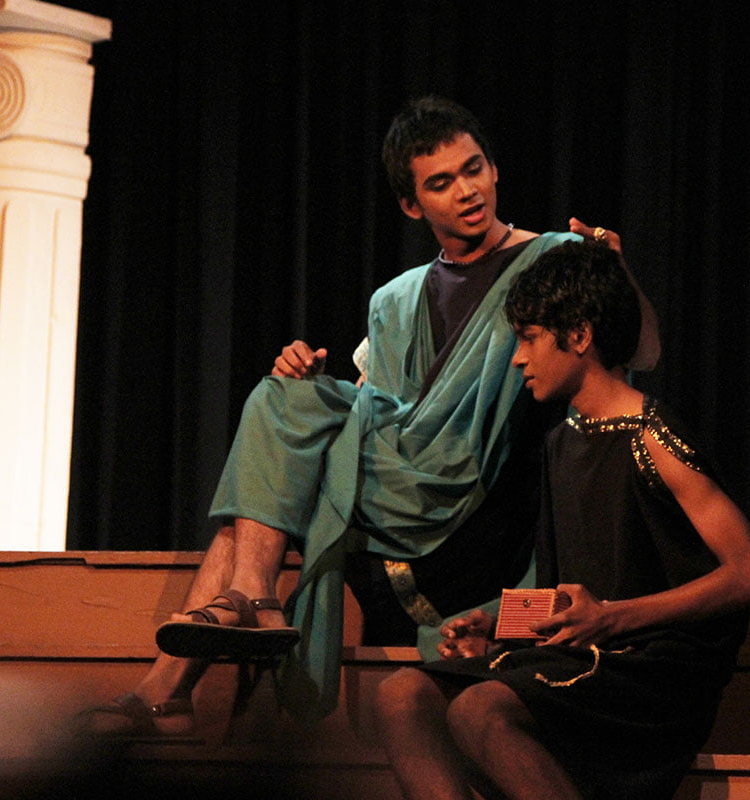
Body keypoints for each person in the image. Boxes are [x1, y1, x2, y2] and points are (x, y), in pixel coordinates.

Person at [80, 96, 659, 737]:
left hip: (472, 498)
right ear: (412, 205)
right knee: (282, 399)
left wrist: (617, 273)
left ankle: (209, 643)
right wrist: (310, 391)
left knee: (279, 425)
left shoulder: (551, 257)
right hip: (396, 490)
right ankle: (204, 649)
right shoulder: (396, 300)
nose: (466, 191)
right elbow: (380, 405)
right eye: (441, 182)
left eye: (473, 169)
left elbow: (642, 352)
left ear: (494, 169)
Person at [371, 240, 750, 800]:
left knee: (479, 710)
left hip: (653, 667)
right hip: (587, 652)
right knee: (401, 697)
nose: (518, 358)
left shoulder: (652, 436)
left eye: (529, 337)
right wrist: (501, 629)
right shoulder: (562, 443)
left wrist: (612, 618)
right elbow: (571, 593)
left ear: (580, 335)